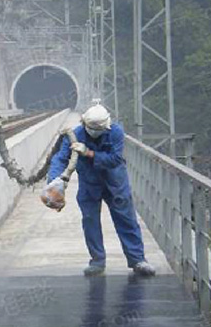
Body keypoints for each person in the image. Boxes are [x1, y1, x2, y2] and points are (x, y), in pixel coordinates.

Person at [45, 103, 156, 277]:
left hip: (115, 183)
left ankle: (138, 260)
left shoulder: (115, 132)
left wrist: (89, 153)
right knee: (90, 222)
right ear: (84, 123)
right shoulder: (75, 135)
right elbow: (60, 158)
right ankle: (97, 261)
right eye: (92, 128)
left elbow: (115, 159)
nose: (95, 132)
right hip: (89, 183)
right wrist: (54, 181)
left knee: (126, 220)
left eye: (99, 129)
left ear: (106, 126)